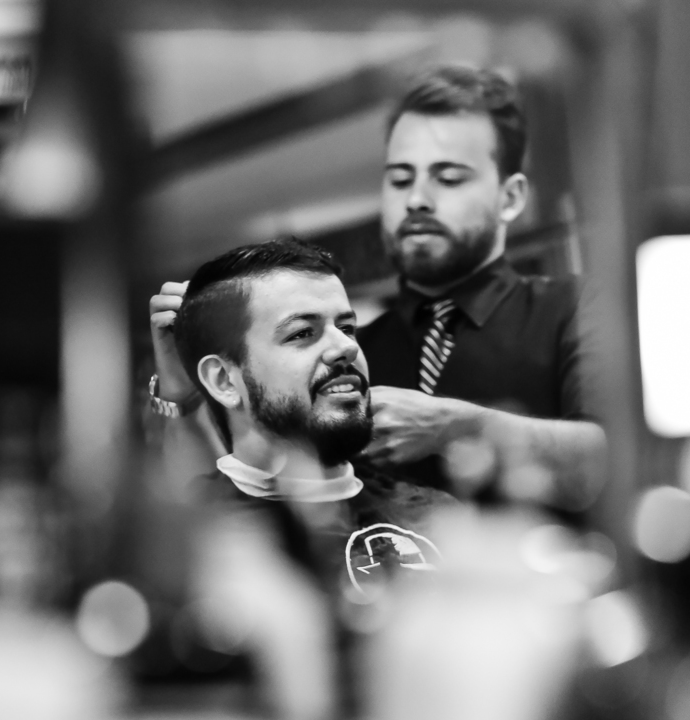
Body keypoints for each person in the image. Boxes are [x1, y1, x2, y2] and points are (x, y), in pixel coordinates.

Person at [149, 65, 606, 511]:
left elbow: (623, 465)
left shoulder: (575, 307)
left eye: (448, 178)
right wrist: (181, 392)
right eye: (400, 179)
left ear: (510, 197)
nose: (416, 199)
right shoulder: (352, 349)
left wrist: (459, 427)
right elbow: (224, 488)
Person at [170, 238, 447, 598]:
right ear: (224, 380)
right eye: (302, 333)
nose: (347, 347)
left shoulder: (438, 517)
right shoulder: (187, 545)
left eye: (346, 328)